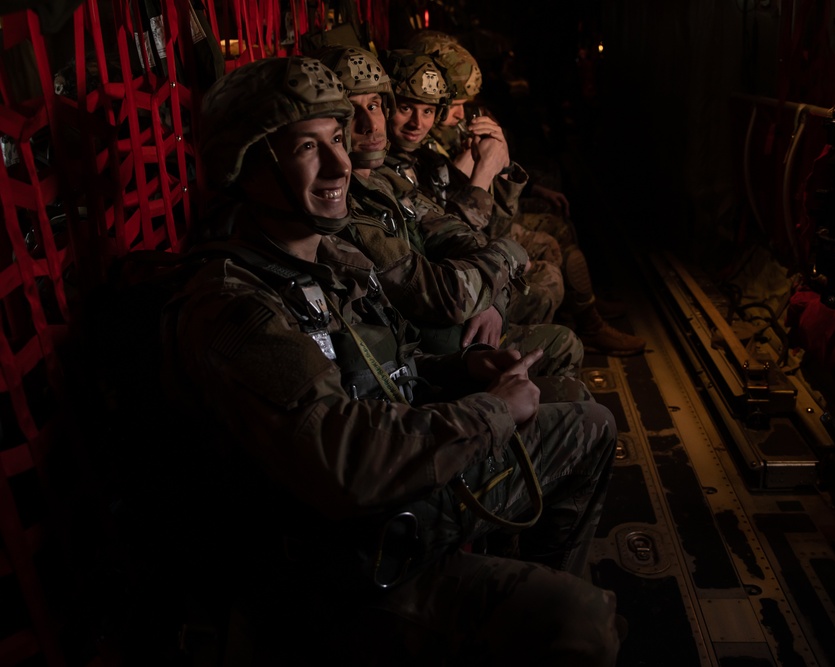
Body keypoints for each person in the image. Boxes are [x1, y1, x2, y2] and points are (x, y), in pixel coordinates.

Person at [161, 55, 621, 664]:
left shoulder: (330, 259)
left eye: (337, 140)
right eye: (308, 147)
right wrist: (490, 411)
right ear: (246, 167)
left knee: (589, 425)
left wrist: (463, 373)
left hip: (393, 502)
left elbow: (391, 364)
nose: (340, 164)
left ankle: (510, 602)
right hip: (336, 572)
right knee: (579, 622)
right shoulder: (233, 308)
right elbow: (342, 464)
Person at [317, 44, 581, 383]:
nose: (370, 125)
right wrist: (507, 253)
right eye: (353, 113)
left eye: (375, 106)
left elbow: (465, 235)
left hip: (445, 326)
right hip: (424, 352)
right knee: (561, 340)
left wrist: (493, 297)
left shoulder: (387, 180)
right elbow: (446, 292)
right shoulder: (354, 196)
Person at [407, 32, 647, 357]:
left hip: (473, 239)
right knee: (547, 254)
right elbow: (458, 230)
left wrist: (501, 170)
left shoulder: (438, 139)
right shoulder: (414, 152)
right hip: (458, 264)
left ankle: (585, 310)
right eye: (456, 105)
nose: (461, 115)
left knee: (556, 228)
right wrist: (479, 172)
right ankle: (573, 325)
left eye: (428, 109)